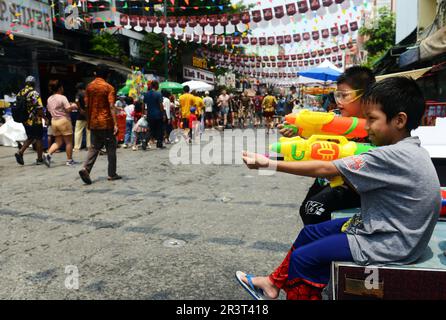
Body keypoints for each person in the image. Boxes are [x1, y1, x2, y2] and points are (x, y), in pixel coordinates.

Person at [238, 77, 441, 300]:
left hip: (389, 243)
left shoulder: (390, 155)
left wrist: (269, 163)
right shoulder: (411, 149)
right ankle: (272, 283)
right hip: (390, 230)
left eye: (372, 119)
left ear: (399, 120)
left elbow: (326, 167)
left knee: (303, 259)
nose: (365, 126)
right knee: (310, 232)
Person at [279, 66, 376, 226]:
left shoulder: (377, 125)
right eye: (337, 95)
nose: (339, 101)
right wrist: (297, 133)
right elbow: (319, 142)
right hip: (328, 178)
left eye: (345, 96)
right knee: (307, 209)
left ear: (365, 96)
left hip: (354, 186)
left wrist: (270, 165)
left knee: (314, 209)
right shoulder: (335, 119)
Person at [78, 64, 121, 185]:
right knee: (111, 147)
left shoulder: (89, 87)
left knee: (95, 147)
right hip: (106, 122)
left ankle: (86, 168)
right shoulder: (109, 88)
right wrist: (115, 124)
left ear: (95, 74)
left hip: (94, 122)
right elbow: (111, 106)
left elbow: (86, 106)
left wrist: (89, 120)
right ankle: (112, 173)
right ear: (107, 75)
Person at [42, 80, 78, 167]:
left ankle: (48, 154)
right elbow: (68, 109)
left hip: (54, 121)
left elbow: (49, 110)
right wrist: (73, 106)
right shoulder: (62, 97)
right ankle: (69, 160)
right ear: (59, 88)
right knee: (69, 142)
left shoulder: (49, 99)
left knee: (58, 141)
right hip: (64, 120)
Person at [14, 76, 45, 166]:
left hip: (25, 120)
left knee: (31, 137)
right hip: (35, 120)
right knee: (39, 138)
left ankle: (20, 152)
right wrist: (45, 118)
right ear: (34, 84)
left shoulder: (20, 93)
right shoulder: (34, 93)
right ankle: (39, 159)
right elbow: (39, 108)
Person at [144, 80, 165, 149]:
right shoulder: (158, 94)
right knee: (160, 129)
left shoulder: (146, 94)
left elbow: (143, 104)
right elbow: (161, 105)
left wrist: (143, 113)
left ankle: (145, 141)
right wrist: (163, 114)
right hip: (158, 114)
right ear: (156, 86)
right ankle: (159, 144)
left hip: (149, 115)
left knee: (150, 129)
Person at [73, 82, 91, 151]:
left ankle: (77, 147)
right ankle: (88, 146)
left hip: (80, 115)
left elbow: (76, 100)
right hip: (88, 114)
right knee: (88, 131)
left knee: (78, 131)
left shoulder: (79, 93)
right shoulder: (87, 94)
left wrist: (80, 109)